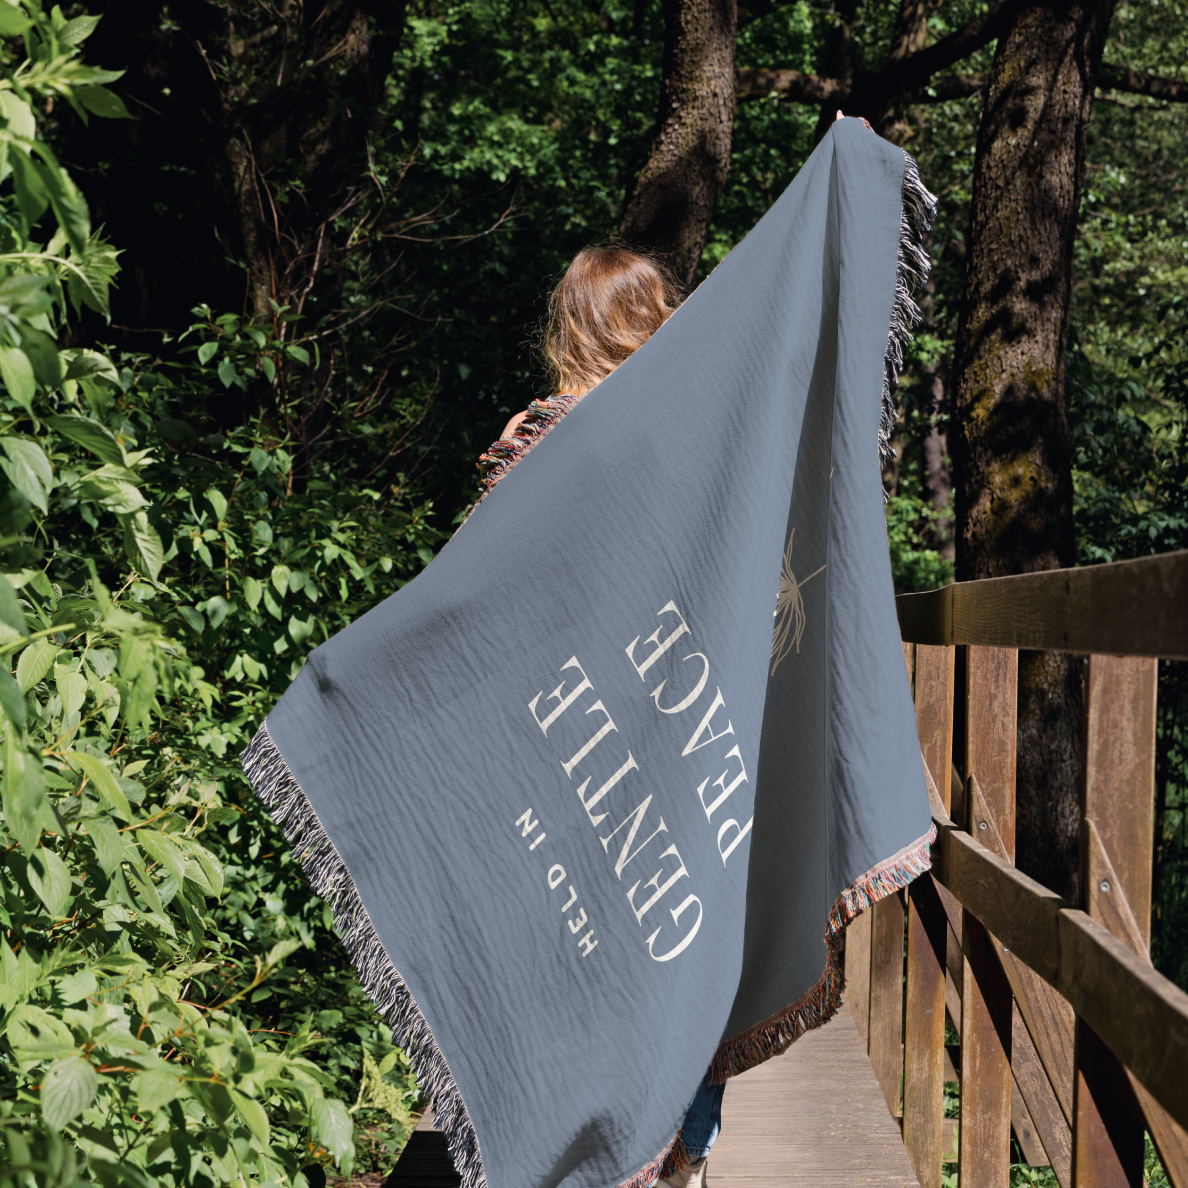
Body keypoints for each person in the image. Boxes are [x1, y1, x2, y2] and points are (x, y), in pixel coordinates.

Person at [474, 243, 723, 1188]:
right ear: (654, 320)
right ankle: (676, 1155)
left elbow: (483, 586)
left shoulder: (527, 435)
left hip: (558, 723)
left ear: (570, 323)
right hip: (665, 719)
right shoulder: (688, 433)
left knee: (569, 936)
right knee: (678, 937)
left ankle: (566, 1146)